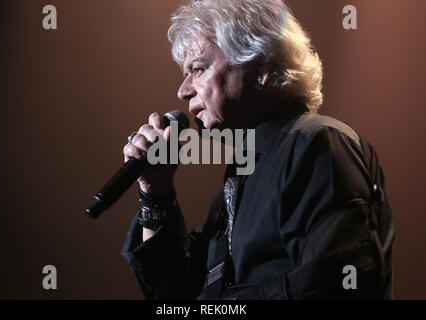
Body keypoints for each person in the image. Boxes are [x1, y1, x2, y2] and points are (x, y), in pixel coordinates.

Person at [121, 0, 395, 299]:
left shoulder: (318, 144)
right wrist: (155, 192)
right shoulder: (239, 180)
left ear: (261, 69)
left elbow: (338, 283)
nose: (183, 90)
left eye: (198, 68)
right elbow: (172, 295)